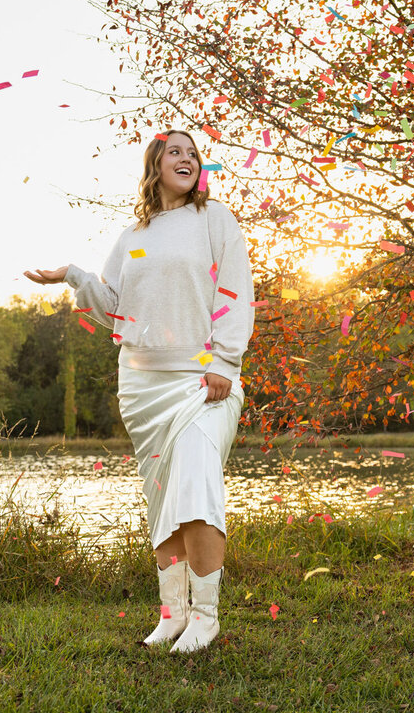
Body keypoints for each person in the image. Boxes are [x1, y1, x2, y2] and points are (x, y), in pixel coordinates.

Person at [24, 130, 254, 654]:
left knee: (195, 484)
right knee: (161, 500)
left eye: (193, 153)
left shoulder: (215, 221)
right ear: (154, 165)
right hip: (143, 385)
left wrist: (224, 360)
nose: (187, 158)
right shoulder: (133, 235)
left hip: (203, 380)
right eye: (175, 151)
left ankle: (207, 616)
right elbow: (112, 306)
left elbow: (236, 290)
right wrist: (72, 276)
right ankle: (172, 614)